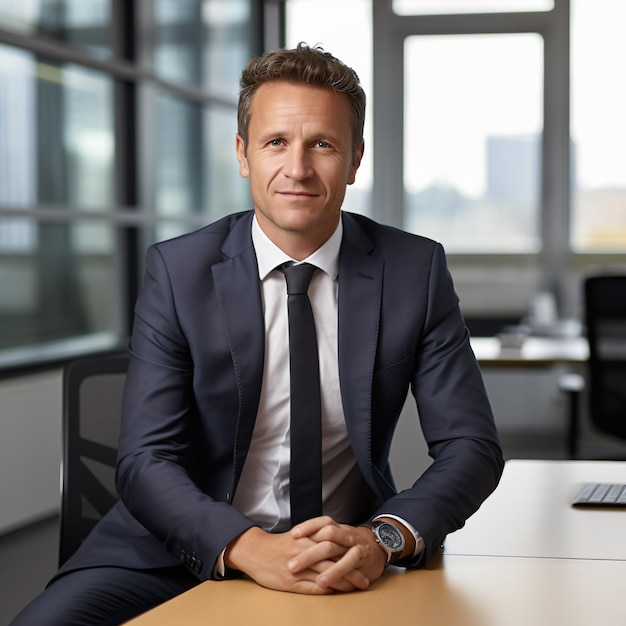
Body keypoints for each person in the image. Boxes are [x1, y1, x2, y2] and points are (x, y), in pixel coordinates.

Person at [11, 43, 503, 625]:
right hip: (174, 550)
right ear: (243, 154)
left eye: (322, 144)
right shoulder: (178, 271)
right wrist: (249, 548)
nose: (297, 168)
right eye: (276, 143)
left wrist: (385, 539)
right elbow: (145, 460)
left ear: (355, 159)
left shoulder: (414, 270)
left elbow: (472, 447)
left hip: (345, 554)